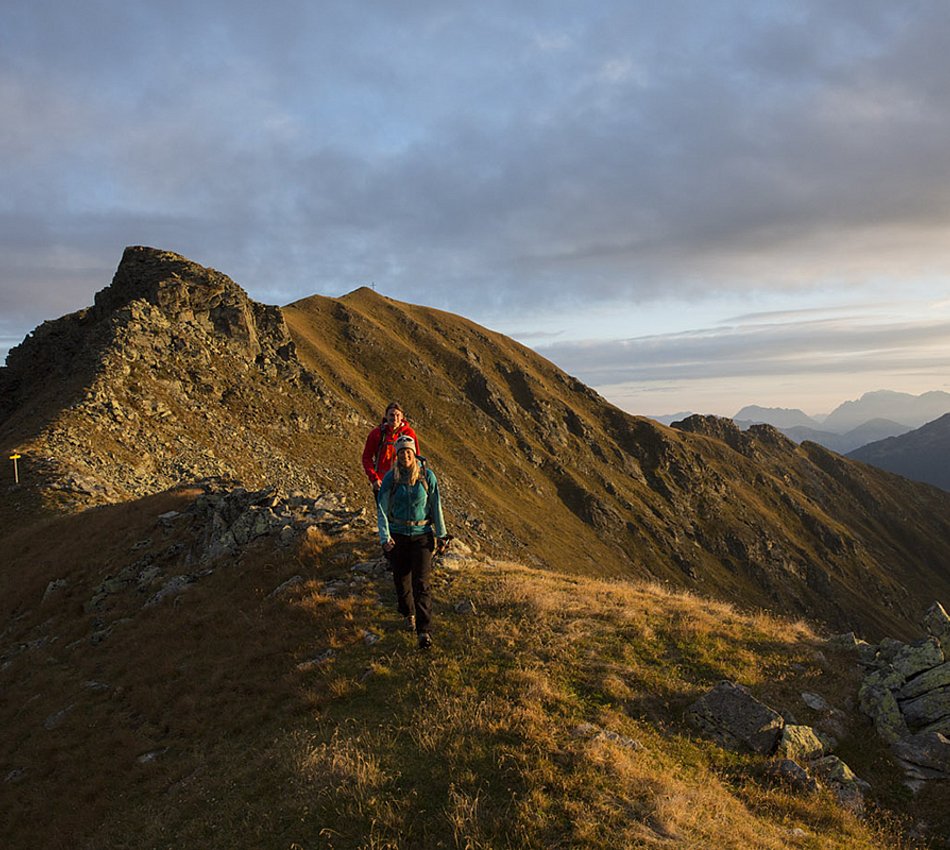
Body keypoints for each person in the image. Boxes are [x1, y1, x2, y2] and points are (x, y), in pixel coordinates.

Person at [377, 434, 448, 650]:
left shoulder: (428, 476)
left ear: (414, 453)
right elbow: (381, 509)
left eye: (408, 452)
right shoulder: (391, 478)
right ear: (397, 455)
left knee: (422, 583)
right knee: (401, 580)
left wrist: (441, 534)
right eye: (401, 452)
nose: (405, 455)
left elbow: (436, 505)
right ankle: (408, 613)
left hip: (422, 534)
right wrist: (384, 537)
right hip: (398, 535)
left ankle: (424, 631)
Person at [361, 402, 419, 496]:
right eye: (391, 415)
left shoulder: (409, 433)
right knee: (384, 510)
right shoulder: (377, 434)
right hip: (382, 483)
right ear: (386, 416)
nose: (394, 418)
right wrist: (374, 479)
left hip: (403, 481)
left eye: (397, 415)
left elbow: (416, 457)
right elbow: (366, 457)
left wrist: (414, 478)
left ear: (402, 417)